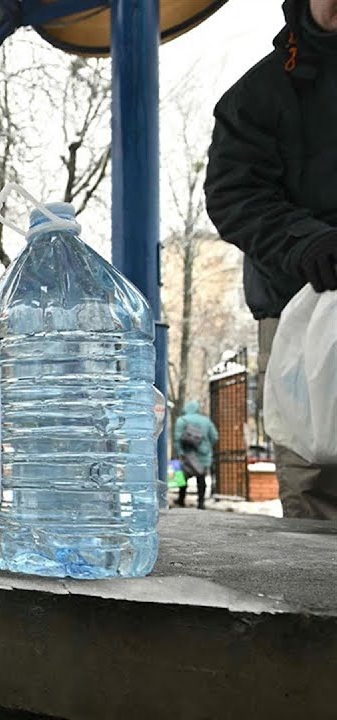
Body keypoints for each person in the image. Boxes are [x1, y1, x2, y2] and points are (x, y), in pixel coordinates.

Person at [205, 0, 337, 520]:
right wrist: (305, 242)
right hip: (300, 310)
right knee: (315, 471)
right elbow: (233, 195)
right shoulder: (258, 95)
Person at [173, 401, 219, 509]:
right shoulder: (206, 421)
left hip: (186, 454)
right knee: (201, 477)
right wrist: (207, 446)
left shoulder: (181, 420)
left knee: (180, 476)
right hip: (203, 454)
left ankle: (181, 499)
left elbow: (177, 439)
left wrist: (180, 452)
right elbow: (215, 436)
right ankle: (201, 502)